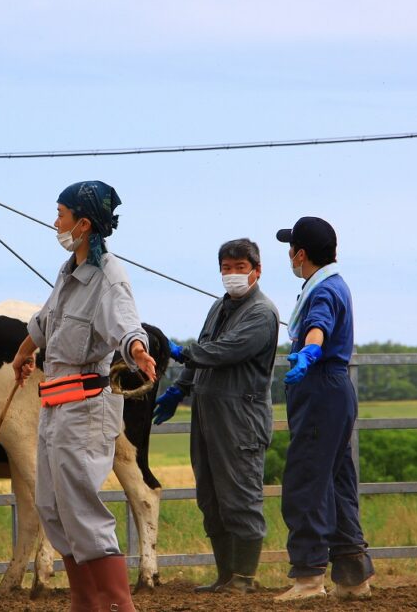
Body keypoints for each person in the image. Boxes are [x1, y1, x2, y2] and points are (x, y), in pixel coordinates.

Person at [11, 180, 156, 612]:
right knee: (53, 507)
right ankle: (85, 604)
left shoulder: (110, 276)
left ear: (84, 223)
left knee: (82, 510)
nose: (55, 222)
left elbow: (126, 323)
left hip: (87, 407)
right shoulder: (68, 270)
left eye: (61, 214)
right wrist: (24, 353)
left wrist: (137, 350)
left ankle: (117, 605)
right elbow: (45, 319)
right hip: (56, 407)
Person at [152, 238, 280, 594]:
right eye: (227, 268)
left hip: (240, 418)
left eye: (240, 268)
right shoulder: (218, 307)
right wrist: (180, 388)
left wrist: (181, 354)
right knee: (211, 499)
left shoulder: (262, 313)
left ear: (257, 270)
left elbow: (224, 351)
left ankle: (243, 578)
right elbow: (207, 346)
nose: (233, 275)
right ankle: (225, 576)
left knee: (241, 496)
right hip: (208, 415)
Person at [273, 216, 375, 600]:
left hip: (321, 387)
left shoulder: (322, 292)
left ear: (301, 254)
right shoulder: (332, 284)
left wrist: (310, 350)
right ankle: (352, 576)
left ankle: (309, 578)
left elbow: (319, 323)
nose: (289, 256)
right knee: (336, 481)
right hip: (335, 389)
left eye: (290, 250)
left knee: (305, 482)